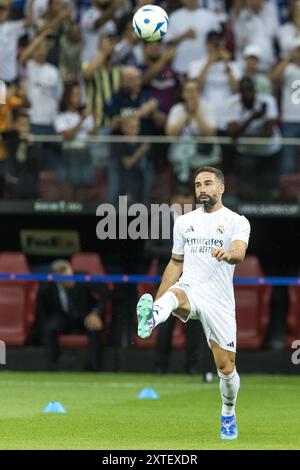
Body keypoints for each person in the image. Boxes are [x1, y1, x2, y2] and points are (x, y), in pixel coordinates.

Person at [136, 166, 251, 440]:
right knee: (176, 295)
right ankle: (151, 317)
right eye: (198, 184)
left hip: (220, 300)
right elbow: (175, 264)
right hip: (191, 287)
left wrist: (228, 253)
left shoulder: (237, 221)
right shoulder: (184, 222)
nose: (202, 189)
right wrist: (158, 297)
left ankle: (228, 412)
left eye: (208, 184)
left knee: (226, 368)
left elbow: (240, 253)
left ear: (221, 188)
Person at [40, 259, 108, 371]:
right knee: (49, 328)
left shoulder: (83, 278)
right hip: (63, 317)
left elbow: (105, 294)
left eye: (69, 275)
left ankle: (93, 368)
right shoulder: (47, 286)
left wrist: (96, 313)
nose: (69, 279)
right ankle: (53, 366)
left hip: (85, 316)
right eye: (64, 277)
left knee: (94, 328)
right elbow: (44, 309)